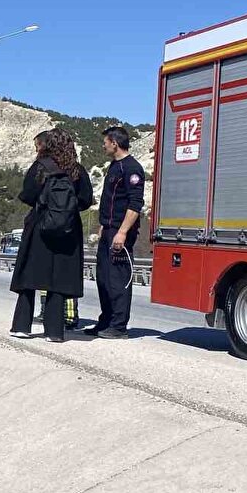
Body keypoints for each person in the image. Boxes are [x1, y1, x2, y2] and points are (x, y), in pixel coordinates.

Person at [9, 129, 95, 342]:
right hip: (68, 231)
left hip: (40, 227)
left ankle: (22, 326)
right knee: (58, 281)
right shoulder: (77, 170)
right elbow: (86, 200)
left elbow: (27, 195)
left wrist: (45, 205)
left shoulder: (40, 168)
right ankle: (55, 331)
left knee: (29, 278)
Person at [85, 126, 145, 339]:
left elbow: (135, 205)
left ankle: (119, 326)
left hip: (121, 232)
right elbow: (110, 202)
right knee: (103, 278)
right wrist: (104, 226)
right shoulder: (114, 166)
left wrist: (122, 233)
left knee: (118, 279)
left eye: (106, 142)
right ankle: (106, 321)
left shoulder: (132, 168)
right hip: (108, 229)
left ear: (115, 143)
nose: (103, 145)